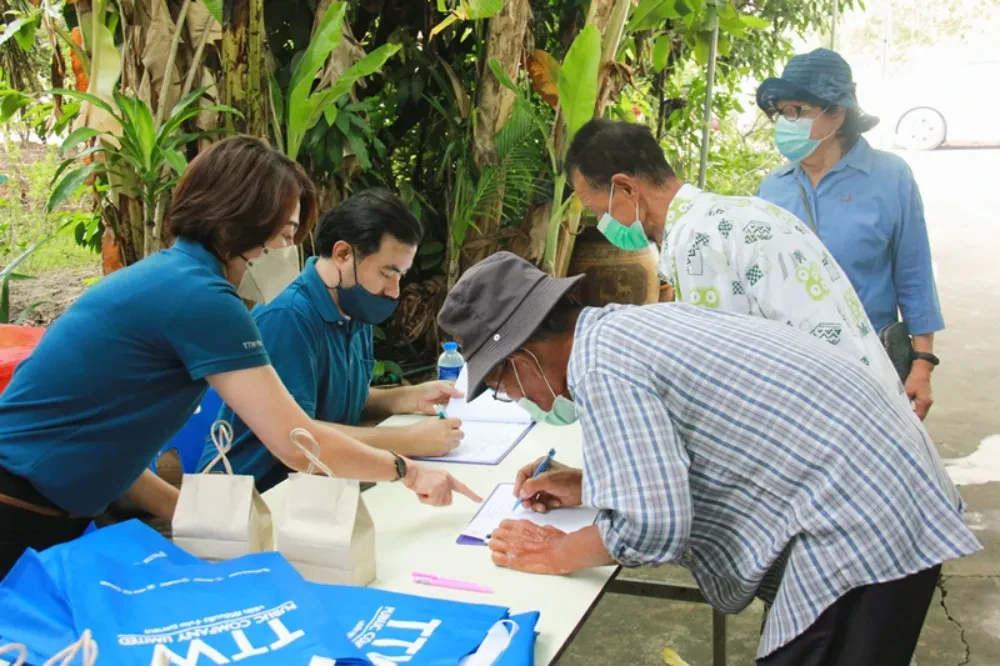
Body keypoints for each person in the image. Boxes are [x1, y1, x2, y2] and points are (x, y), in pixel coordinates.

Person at [436, 251, 980, 666]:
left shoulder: (600, 366)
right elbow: (686, 445)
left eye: (504, 382)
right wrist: (589, 483)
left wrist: (559, 552)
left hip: (863, 519)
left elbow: (654, 526)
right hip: (884, 483)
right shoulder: (619, 330)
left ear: (525, 351)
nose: (517, 394)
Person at [0, 136, 478, 578]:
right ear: (242, 218)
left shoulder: (173, 277)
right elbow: (298, 441)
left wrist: (193, 511)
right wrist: (408, 469)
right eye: (287, 233)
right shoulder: (202, 297)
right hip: (17, 508)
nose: (291, 251)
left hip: (42, 508)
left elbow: (108, 447)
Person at [564, 118, 905, 403]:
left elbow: (722, 379)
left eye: (598, 210)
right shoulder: (739, 211)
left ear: (626, 188)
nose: (603, 224)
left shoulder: (695, 242)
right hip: (875, 406)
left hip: (844, 424)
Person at [198, 189, 465, 492]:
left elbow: (335, 397)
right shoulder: (287, 317)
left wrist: (406, 397)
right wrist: (408, 441)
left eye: (400, 276)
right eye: (387, 273)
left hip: (320, 489)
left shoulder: (354, 307)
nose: (394, 291)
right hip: (257, 498)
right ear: (342, 254)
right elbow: (298, 435)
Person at [755, 48, 943, 420]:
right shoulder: (772, 189)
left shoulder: (889, 178)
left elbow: (914, 274)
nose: (786, 122)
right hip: (791, 373)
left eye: (799, 111)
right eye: (782, 112)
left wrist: (922, 364)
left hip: (871, 369)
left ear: (837, 114)